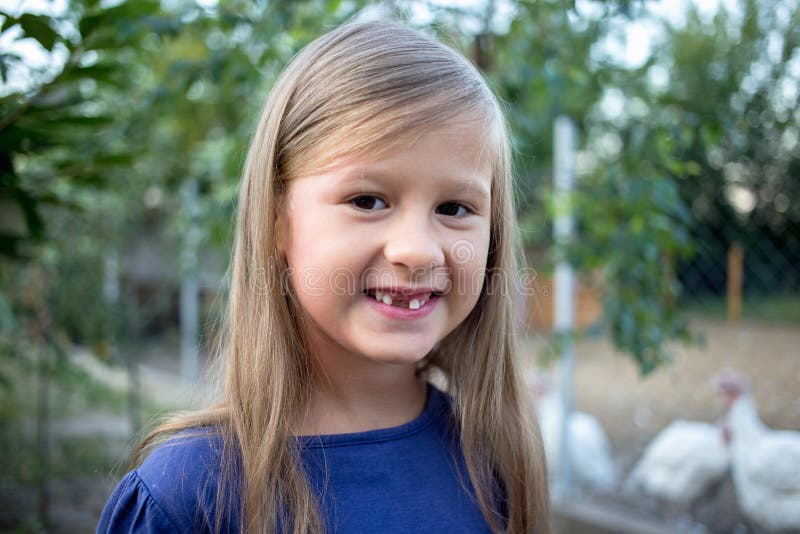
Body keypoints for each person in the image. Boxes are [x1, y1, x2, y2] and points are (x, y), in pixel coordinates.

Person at [97, 14, 550, 534]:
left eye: (454, 207)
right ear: (276, 221)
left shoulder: (493, 455)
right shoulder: (189, 493)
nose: (418, 250)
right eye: (368, 200)